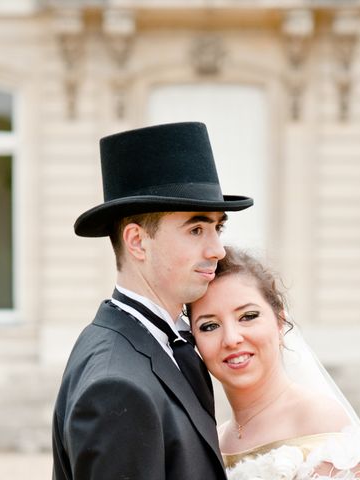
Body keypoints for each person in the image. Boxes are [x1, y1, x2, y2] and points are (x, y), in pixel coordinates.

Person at [51, 122, 253, 480]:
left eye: (218, 228)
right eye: (196, 229)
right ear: (137, 242)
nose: (217, 249)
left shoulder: (170, 344)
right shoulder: (116, 387)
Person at [188, 247, 360, 480]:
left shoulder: (320, 420)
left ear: (280, 322)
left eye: (248, 316)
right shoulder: (214, 439)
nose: (231, 339)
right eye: (209, 326)